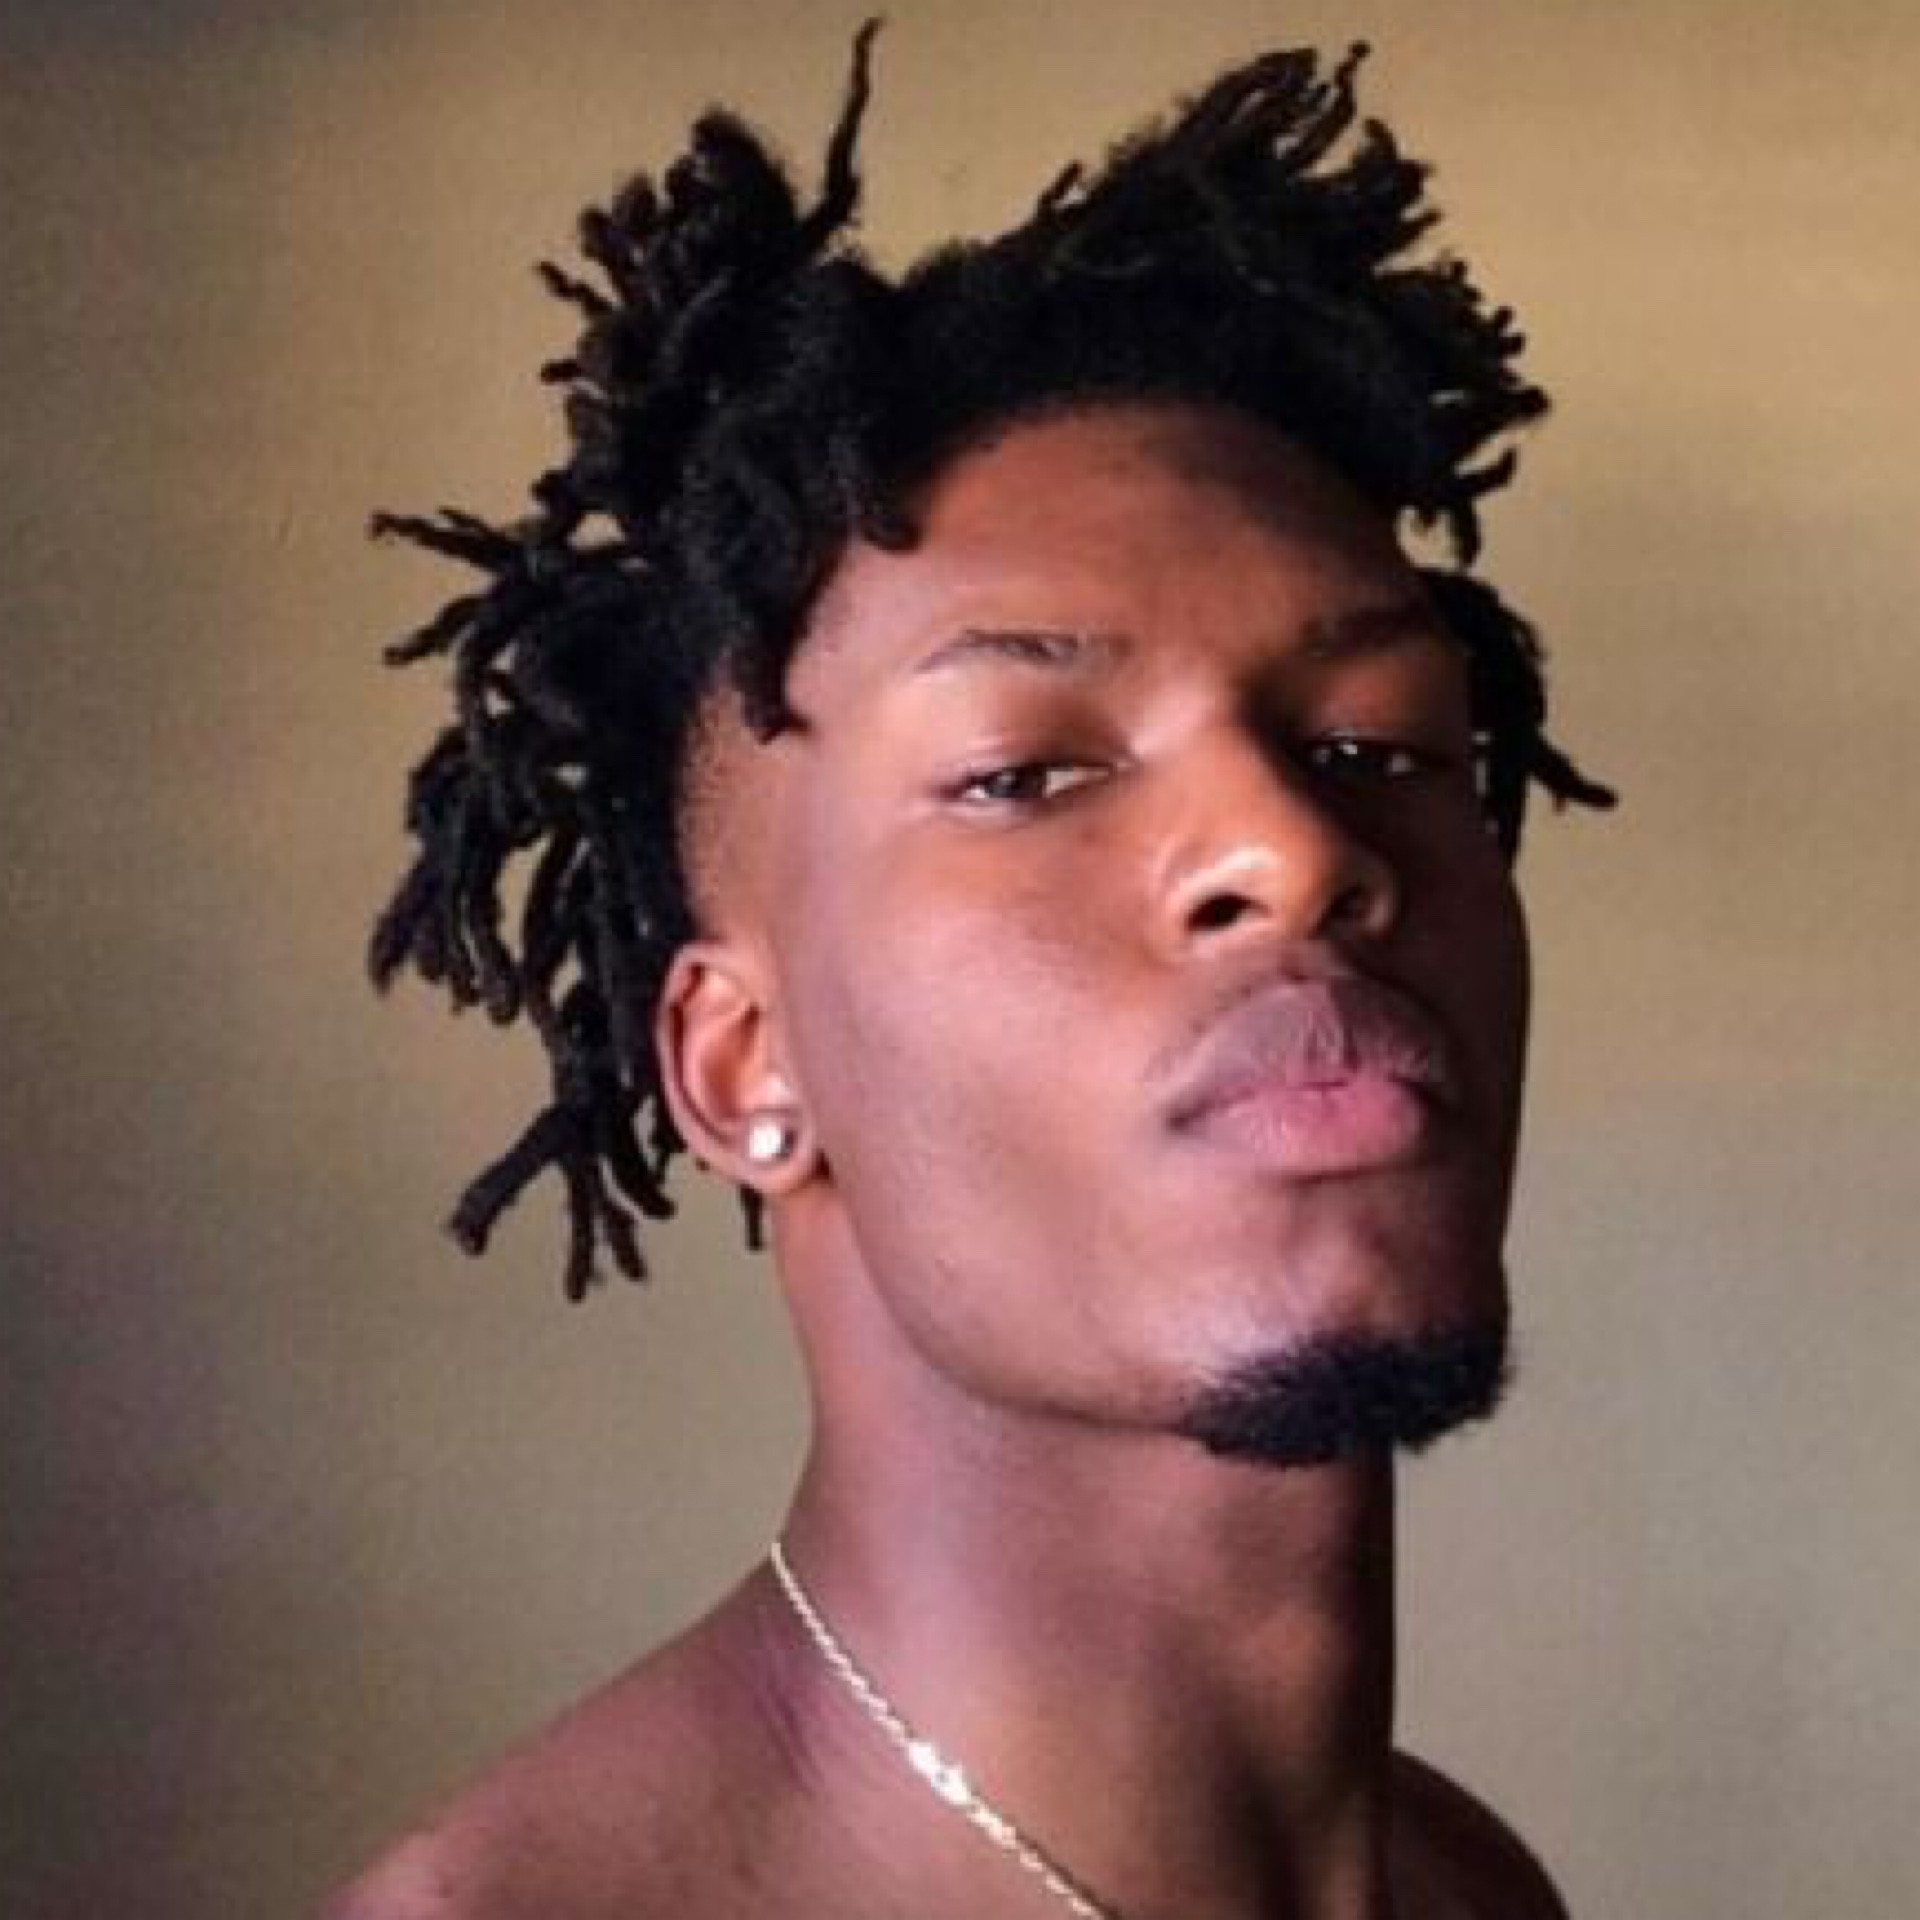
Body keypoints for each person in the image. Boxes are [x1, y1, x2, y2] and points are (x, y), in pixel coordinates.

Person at [327, 23, 1613, 1918]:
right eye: (1026, 774)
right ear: (743, 1065)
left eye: (1378, 744)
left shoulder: (1467, 1884)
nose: (1293, 849)